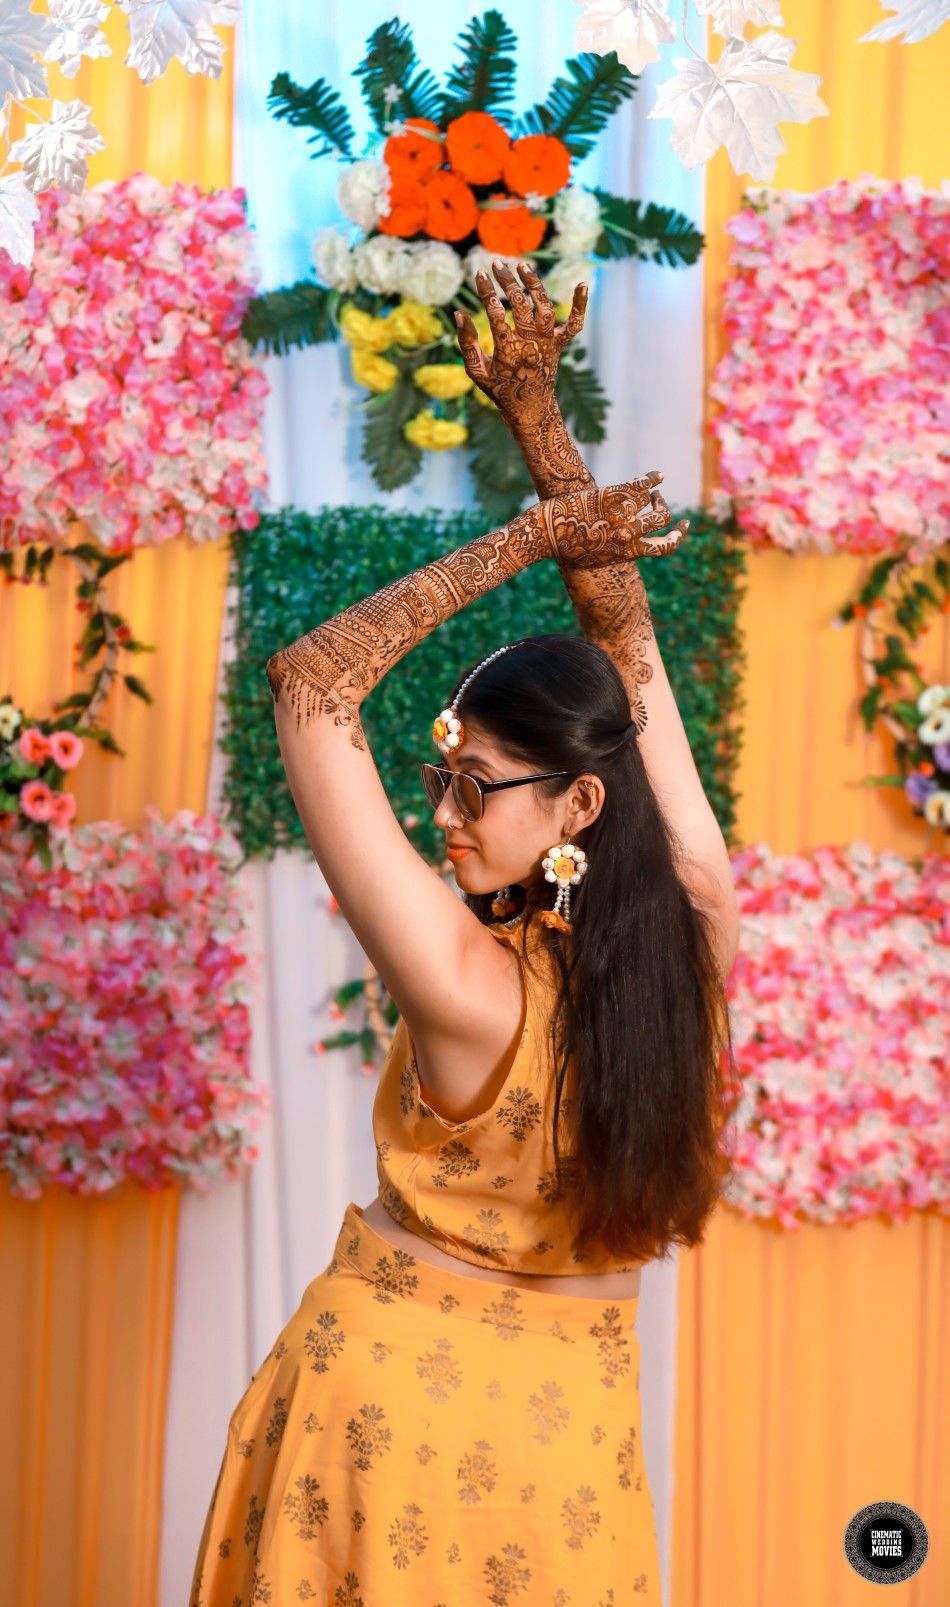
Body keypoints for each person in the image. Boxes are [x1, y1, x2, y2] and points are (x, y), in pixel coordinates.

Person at [189, 263, 738, 1604]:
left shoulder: (467, 987)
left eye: (472, 785)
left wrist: (516, 543)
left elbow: (312, 686)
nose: (443, 813)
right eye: (440, 774)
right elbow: (634, 665)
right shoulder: (692, 936)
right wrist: (544, 432)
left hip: (390, 1433)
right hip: (571, 1465)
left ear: (576, 803)